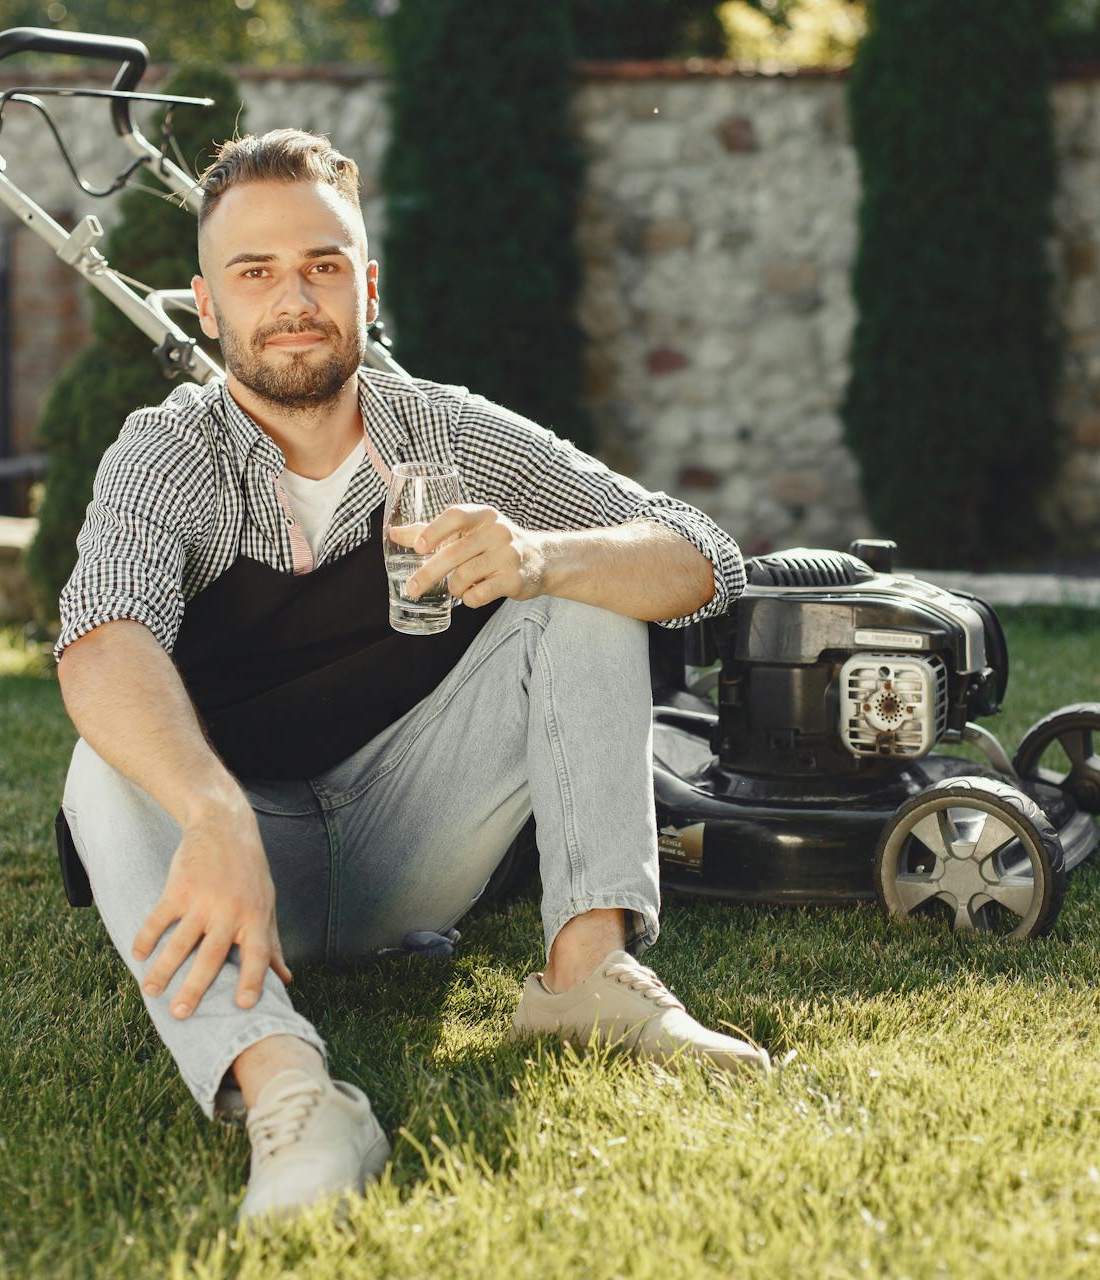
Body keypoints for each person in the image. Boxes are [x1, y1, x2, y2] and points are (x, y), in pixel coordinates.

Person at [53, 128, 766, 1227]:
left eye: (322, 264)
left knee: (584, 592)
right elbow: (102, 636)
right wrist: (210, 807)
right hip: (242, 874)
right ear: (207, 305)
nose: (294, 298)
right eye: (256, 272)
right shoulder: (165, 453)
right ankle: (295, 1095)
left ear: (365, 285)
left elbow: (701, 554)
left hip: (413, 836)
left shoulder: (445, 427)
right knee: (102, 765)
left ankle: (589, 979)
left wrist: (539, 556)